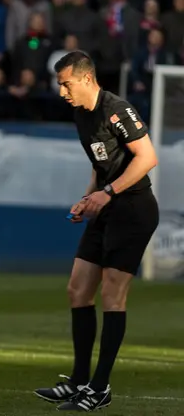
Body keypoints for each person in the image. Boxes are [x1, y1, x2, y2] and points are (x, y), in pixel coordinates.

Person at [34, 51, 159, 411]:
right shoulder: (81, 115)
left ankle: (100, 388)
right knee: (77, 289)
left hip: (133, 208)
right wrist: (88, 199)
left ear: (86, 79)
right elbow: (99, 164)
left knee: (113, 297)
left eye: (66, 84)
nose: (62, 92)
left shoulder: (116, 109)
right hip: (105, 205)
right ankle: (77, 381)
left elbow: (147, 157)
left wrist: (106, 194)